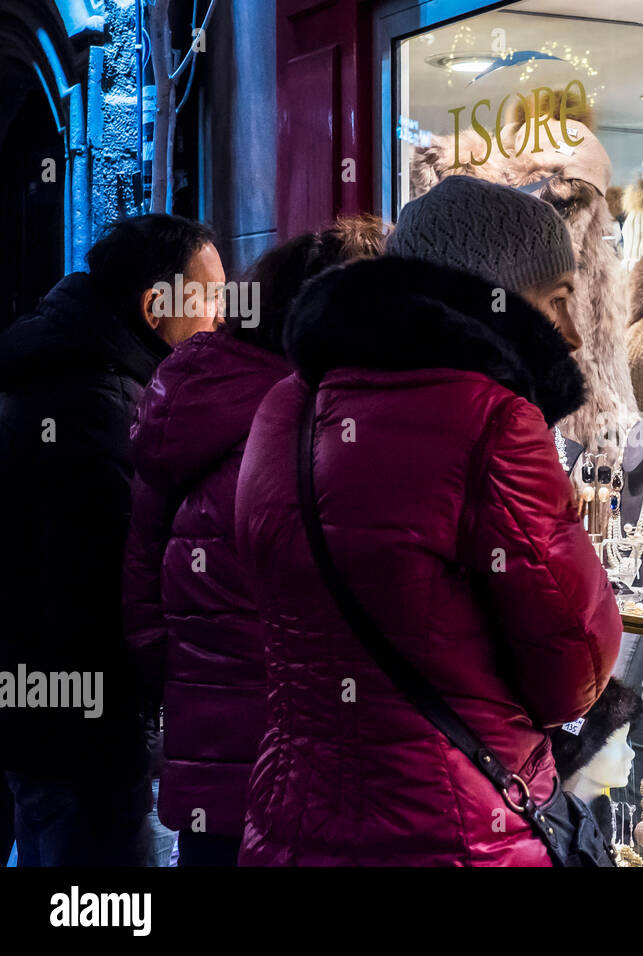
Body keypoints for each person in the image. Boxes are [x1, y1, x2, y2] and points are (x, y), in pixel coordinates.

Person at [236, 175, 622, 866]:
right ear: (495, 294)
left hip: (292, 821)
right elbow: (573, 669)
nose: (568, 332)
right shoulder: (495, 421)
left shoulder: (284, 410)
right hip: (458, 834)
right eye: (559, 299)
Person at [122, 216, 387, 868]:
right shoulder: (316, 439)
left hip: (213, 783)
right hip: (311, 797)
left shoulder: (189, 414)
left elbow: (144, 619)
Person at [0, 213, 223, 866]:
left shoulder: (52, 370)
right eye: (210, 298)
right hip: (80, 731)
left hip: (40, 721)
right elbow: (109, 584)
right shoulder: (101, 408)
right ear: (157, 307)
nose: (221, 318)